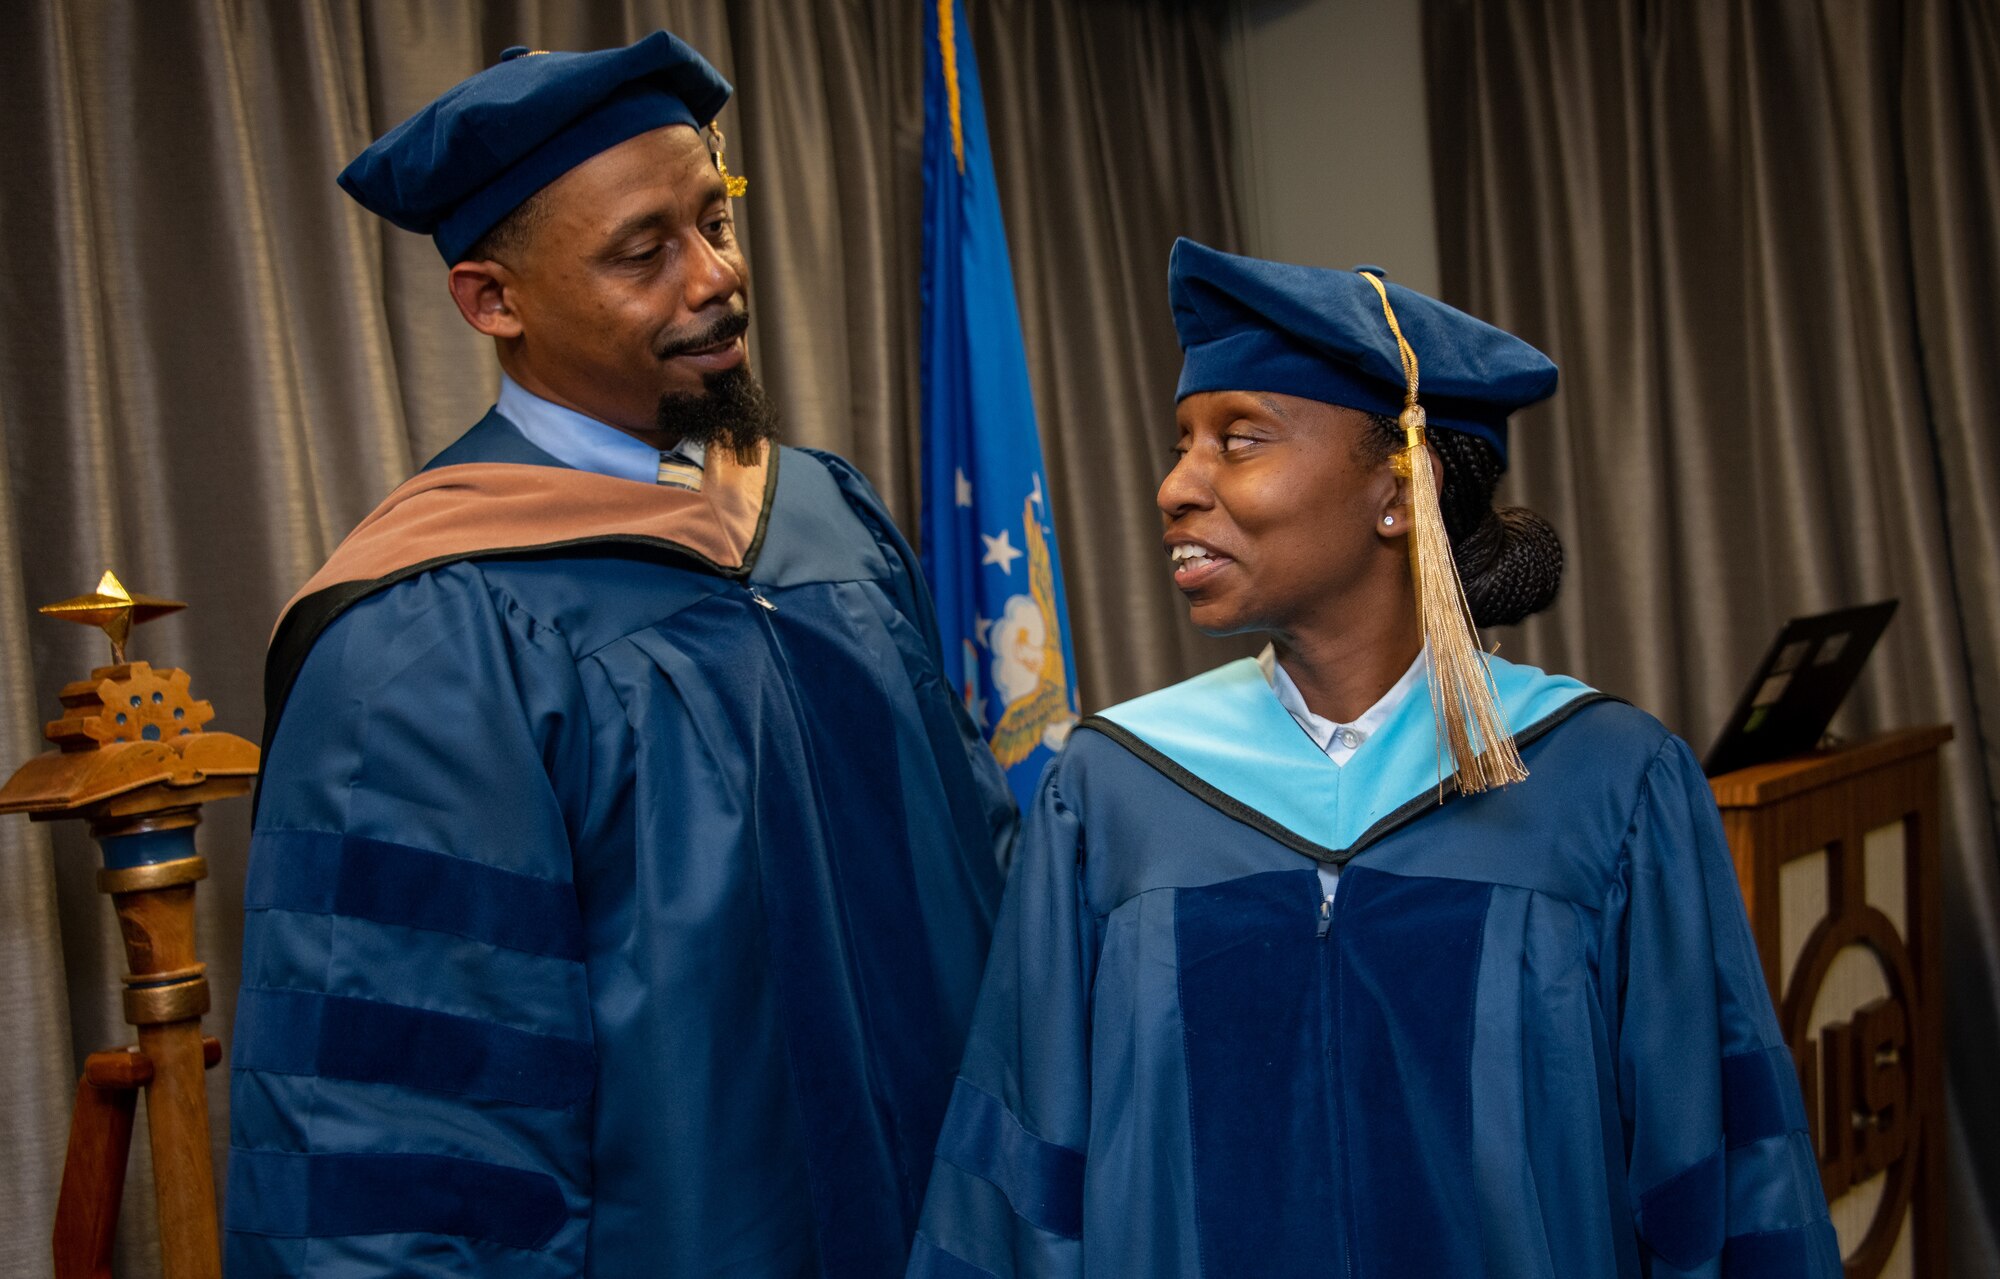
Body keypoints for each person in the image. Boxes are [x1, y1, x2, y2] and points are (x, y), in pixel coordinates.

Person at [227, 33, 1015, 1277]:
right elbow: (391, 1124)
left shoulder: (823, 516)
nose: (714, 279)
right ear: (494, 300)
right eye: (643, 253)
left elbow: (977, 865)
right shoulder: (427, 630)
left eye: (715, 219)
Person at [908, 240, 1838, 1278]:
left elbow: (1712, 1178)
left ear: (1401, 490)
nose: (1175, 485)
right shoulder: (1115, 793)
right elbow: (1021, 1194)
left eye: (1238, 439)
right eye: (1181, 443)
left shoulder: (1603, 787)